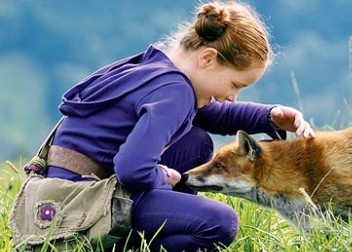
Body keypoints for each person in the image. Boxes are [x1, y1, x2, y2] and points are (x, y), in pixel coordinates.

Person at [45, 1, 315, 251]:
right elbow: (131, 169)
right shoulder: (175, 91)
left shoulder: (159, 70)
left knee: (195, 142)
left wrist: (270, 116)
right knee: (220, 222)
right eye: (235, 85)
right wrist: (164, 179)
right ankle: (131, 241)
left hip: (65, 193)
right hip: (84, 203)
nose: (233, 97)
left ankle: (152, 226)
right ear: (207, 59)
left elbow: (211, 115)